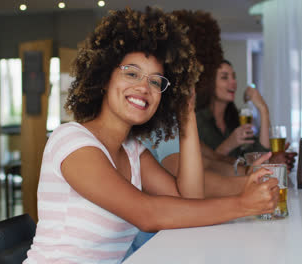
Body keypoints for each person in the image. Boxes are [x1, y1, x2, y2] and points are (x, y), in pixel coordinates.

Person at [24, 8, 279, 264]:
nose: (144, 87)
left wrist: (186, 114)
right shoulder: (71, 141)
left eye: (156, 82)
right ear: (103, 78)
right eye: (132, 73)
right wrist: (244, 204)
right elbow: (146, 214)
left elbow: (188, 202)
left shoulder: (134, 151)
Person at [196, 60, 270, 158]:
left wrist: (263, 109)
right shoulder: (197, 121)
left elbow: (260, 155)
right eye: (224, 77)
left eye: (234, 77)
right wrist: (229, 144)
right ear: (210, 83)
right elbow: (201, 165)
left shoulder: (237, 118)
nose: (233, 82)